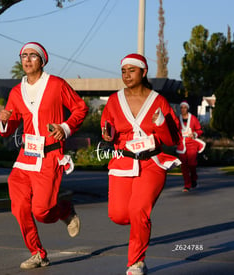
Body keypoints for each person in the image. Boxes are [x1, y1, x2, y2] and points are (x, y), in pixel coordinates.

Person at [0, 42, 88, 269]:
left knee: (42, 211)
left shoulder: (56, 85)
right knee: (19, 206)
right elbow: (8, 128)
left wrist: (65, 128)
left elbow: (80, 108)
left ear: (42, 60)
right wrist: (4, 121)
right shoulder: (16, 92)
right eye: (23, 56)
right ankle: (37, 253)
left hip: (50, 156)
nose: (27, 59)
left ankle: (65, 210)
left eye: (32, 56)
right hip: (25, 157)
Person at [101, 53, 181, 275]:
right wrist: (107, 133)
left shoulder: (159, 101)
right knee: (118, 215)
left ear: (143, 72)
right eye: (123, 71)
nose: (126, 75)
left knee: (138, 211)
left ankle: (136, 262)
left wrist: (161, 123)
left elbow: (172, 140)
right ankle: (139, 226)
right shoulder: (114, 100)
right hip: (122, 162)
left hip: (152, 163)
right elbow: (107, 126)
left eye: (131, 70)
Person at [176, 101, 205, 192]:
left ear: (187, 108)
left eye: (185, 107)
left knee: (192, 164)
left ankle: (194, 179)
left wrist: (195, 134)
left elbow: (200, 130)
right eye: (181, 107)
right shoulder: (177, 119)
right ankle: (187, 185)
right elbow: (174, 130)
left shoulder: (193, 119)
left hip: (192, 143)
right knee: (184, 166)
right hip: (182, 145)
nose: (183, 109)